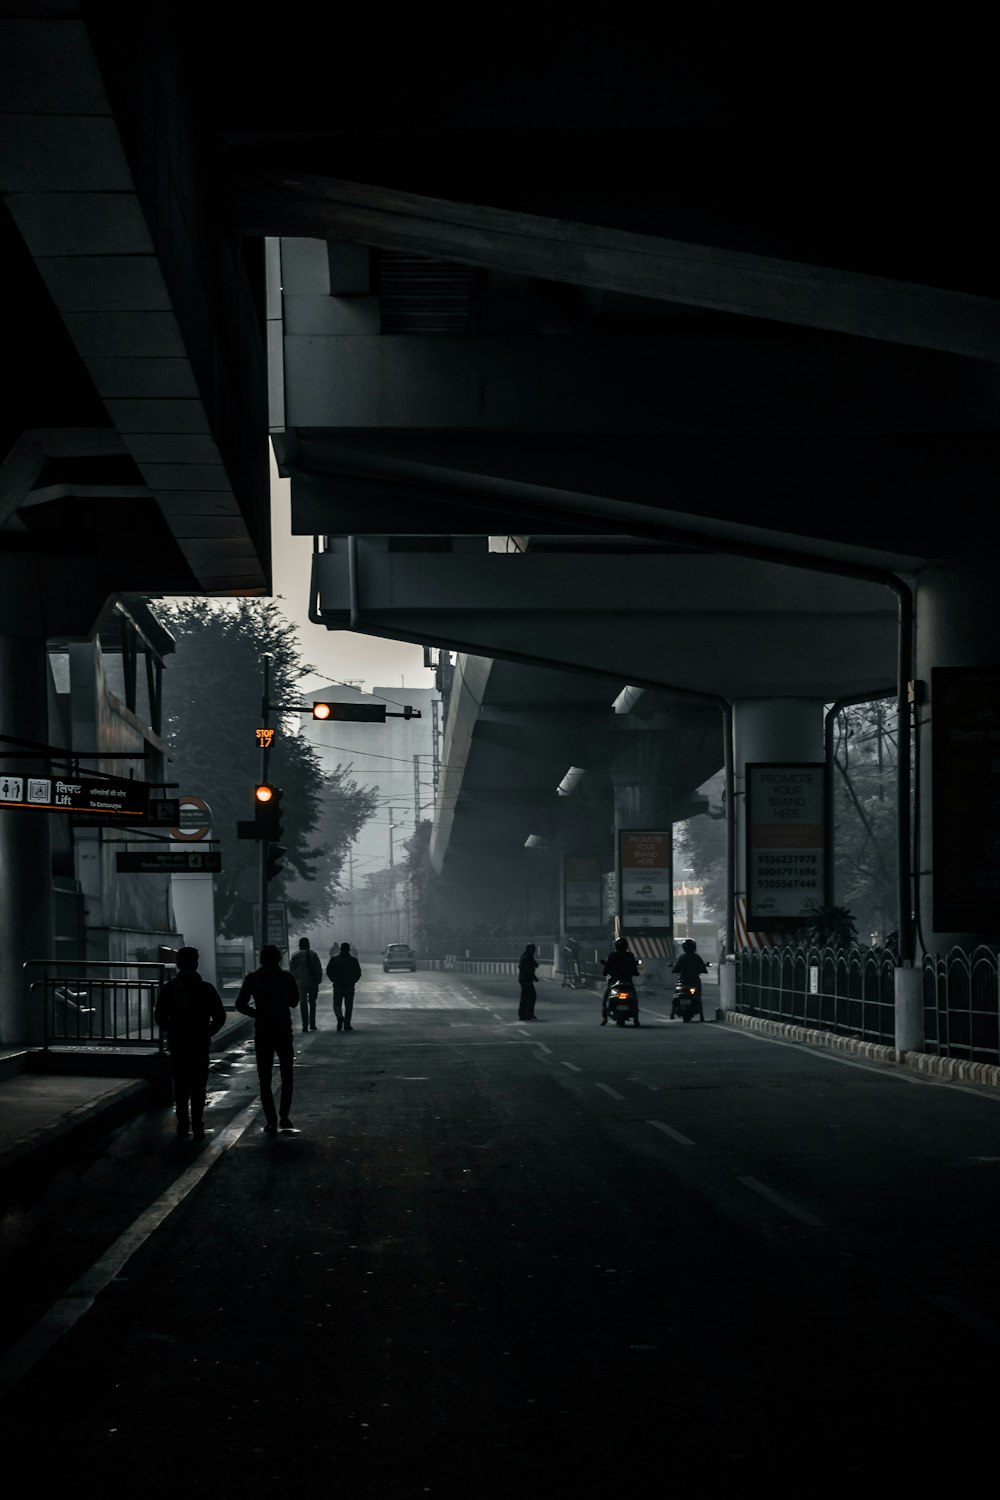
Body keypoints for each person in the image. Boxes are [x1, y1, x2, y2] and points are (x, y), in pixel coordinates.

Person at [154, 946, 227, 1138]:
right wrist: (209, 1031)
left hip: (178, 1042)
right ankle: (197, 1122)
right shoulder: (206, 988)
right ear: (196, 963)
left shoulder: (170, 988)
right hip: (200, 1042)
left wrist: (172, 1029)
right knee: (198, 1084)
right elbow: (220, 1016)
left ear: (179, 964)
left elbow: (160, 1016)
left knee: (180, 1083)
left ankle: (183, 1122)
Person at [235, 944, 299, 1133]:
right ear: (279, 959)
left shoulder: (253, 978)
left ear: (261, 959)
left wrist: (257, 1013)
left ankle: (271, 1120)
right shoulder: (286, 977)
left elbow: (240, 1004)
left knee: (265, 1077)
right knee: (287, 1073)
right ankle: (284, 1116)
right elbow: (294, 1002)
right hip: (283, 1030)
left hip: (263, 1030)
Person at [601, 937, 641, 1026]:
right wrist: (636, 973)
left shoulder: (612, 955)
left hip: (614, 981)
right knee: (634, 998)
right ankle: (636, 1019)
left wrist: (605, 972)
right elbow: (635, 971)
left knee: (606, 996)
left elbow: (605, 970)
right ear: (626, 946)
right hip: (627, 981)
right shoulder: (630, 955)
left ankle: (605, 1018)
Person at [327, 941, 362, 1032]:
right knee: (349, 1006)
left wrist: (334, 980)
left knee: (337, 1004)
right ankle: (347, 1024)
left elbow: (329, 971)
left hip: (338, 985)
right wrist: (353, 981)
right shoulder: (353, 960)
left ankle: (339, 1016)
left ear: (340, 949)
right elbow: (358, 973)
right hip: (349, 986)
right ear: (349, 950)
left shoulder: (334, 959)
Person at [289, 936, 322, 1033]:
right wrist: (318, 980)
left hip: (300, 983)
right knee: (312, 1003)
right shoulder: (313, 954)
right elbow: (318, 969)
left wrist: (295, 981)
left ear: (299, 945)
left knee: (303, 1003)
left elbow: (292, 971)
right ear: (308, 945)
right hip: (312, 982)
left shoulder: (295, 956)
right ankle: (312, 1023)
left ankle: (304, 1025)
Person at [672, 938, 709, 1020]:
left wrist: (674, 969)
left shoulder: (682, 957)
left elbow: (675, 969)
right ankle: (701, 1016)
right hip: (694, 981)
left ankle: (672, 1013)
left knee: (676, 994)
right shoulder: (697, 957)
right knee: (698, 997)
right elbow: (703, 969)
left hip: (683, 981)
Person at [518, 943, 539, 1020]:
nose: (533, 950)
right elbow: (527, 969)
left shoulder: (529, 956)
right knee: (526, 997)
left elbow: (535, 964)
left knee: (531, 996)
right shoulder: (526, 957)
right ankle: (523, 1014)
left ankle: (529, 1013)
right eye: (531, 948)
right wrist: (534, 977)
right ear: (528, 949)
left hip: (526, 979)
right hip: (525, 979)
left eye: (533, 948)